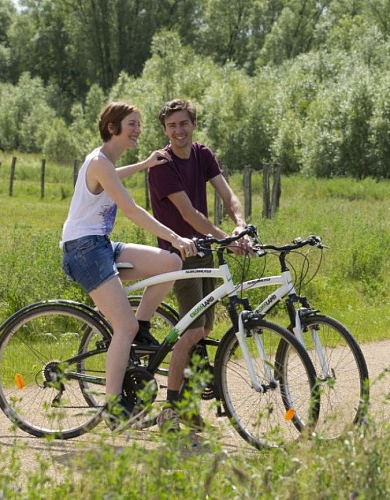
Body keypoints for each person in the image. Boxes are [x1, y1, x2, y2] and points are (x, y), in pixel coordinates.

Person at [60, 101, 197, 429]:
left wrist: (145, 164)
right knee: (124, 327)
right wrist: (175, 235)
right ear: (114, 127)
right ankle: (112, 407)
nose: (138, 130)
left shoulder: (104, 162)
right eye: (132, 124)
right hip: (84, 250)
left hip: (101, 246)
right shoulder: (98, 161)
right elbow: (132, 209)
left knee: (170, 263)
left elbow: (113, 177)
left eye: (139, 124)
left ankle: (144, 326)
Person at [148, 98, 251, 432]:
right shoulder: (163, 165)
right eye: (172, 126)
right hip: (180, 253)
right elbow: (189, 214)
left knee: (204, 330)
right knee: (192, 330)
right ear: (165, 130)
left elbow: (228, 195)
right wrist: (228, 239)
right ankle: (171, 409)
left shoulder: (203, 154)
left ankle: (191, 407)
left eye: (184, 124)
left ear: (193, 125)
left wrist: (240, 225)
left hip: (205, 250)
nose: (178, 131)